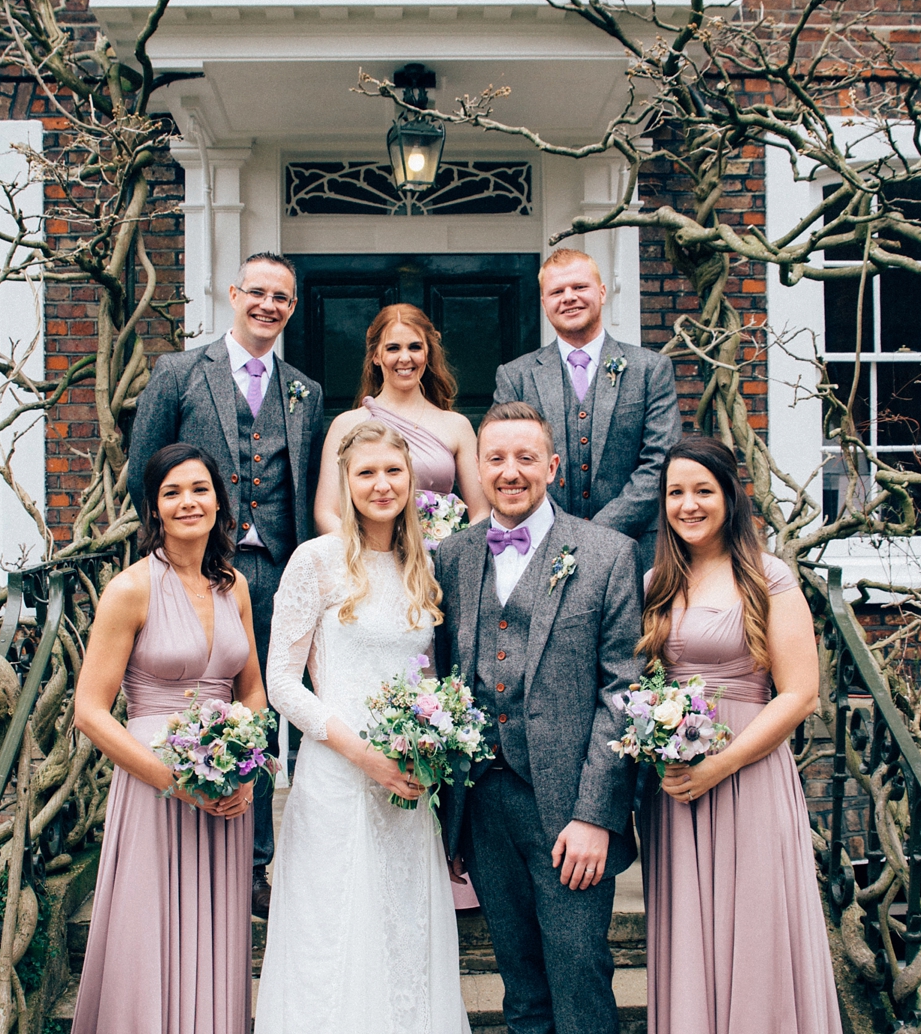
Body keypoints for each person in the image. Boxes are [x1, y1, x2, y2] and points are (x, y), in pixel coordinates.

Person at [227, 419, 492, 1034]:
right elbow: (282, 681)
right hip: (341, 793)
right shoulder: (313, 560)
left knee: (404, 970)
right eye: (367, 471)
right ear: (343, 480)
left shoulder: (428, 567)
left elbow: (435, 681)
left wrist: (423, 750)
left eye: (395, 472)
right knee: (338, 971)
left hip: (406, 800)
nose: (383, 484)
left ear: (413, 483)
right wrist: (360, 750)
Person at [642, 434, 868, 1034]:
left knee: (757, 963)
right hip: (678, 798)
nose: (688, 505)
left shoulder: (767, 576)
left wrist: (718, 766)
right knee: (698, 966)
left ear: (731, 494)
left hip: (745, 778)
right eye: (675, 493)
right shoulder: (658, 580)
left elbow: (798, 693)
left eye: (701, 490)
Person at [434, 401, 642, 1034]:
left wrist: (595, 814)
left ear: (553, 466)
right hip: (485, 804)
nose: (510, 472)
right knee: (520, 984)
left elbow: (621, 691)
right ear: (479, 468)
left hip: (570, 814)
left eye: (527, 458)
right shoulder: (451, 556)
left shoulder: (605, 554)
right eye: (497, 459)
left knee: (580, 981)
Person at [62, 444, 265, 1034]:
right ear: (154, 506)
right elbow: (90, 710)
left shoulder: (235, 585)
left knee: (215, 972)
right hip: (159, 794)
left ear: (220, 501)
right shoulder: (131, 587)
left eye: (202, 490)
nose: (191, 502)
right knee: (153, 967)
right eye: (175, 492)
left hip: (227, 802)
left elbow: (248, 688)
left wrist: (244, 753)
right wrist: (176, 781)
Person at [128, 252, 324, 919]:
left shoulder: (305, 390)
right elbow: (142, 474)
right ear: (234, 293)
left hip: (281, 569)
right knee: (210, 700)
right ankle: (217, 841)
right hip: (203, 570)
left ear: (292, 309)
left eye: (283, 298)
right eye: (259, 293)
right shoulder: (179, 372)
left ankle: (266, 861)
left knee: (271, 706)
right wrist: (175, 560)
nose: (270, 305)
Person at [492, 247, 681, 567]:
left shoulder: (650, 369)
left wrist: (600, 533)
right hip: (543, 550)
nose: (569, 297)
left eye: (579, 287)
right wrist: (557, 530)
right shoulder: (516, 377)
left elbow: (662, 460)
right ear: (544, 302)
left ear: (602, 292)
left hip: (636, 549)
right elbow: (507, 463)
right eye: (556, 291)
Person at [313, 302, 487, 534]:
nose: (405, 358)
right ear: (376, 356)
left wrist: (449, 555)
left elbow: (482, 512)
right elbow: (326, 513)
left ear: (427, 353)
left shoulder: (457, 426)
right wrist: (367, 555)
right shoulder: (346, 424)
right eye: (393, 348)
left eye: (415, 347)